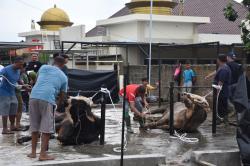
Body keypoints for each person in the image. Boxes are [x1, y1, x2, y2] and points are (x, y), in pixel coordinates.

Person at [27, 56, 68, 161]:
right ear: (63, 65)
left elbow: (36, 80)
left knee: (34, 126)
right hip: (47, 98)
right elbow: (63, 95)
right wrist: (57, 104)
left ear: (53, 62)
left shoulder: (43, 67)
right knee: (46, 129)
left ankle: (32, 153)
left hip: (33, 96)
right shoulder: (64, 77)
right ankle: (43, 154)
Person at [0, 57, 24, 134]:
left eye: (22, 65)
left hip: (12, 92)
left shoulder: (18, 70)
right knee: (5, 109)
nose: (21, 66)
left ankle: (12, 126)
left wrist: (23, 85)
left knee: (14, 107)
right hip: (4, 92)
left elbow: (18, 79)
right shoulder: (6, 69)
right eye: (20, 64)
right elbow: (0, 75)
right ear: (15, 63)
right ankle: (4, 129)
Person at [214, 54, 231, 124]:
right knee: (223, 105)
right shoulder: (223, 67)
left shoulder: (224, 69)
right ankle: (225, 120)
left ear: (219, 60)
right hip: (224, 90)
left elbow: (221, 82)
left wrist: (217, 92)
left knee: (220, 105)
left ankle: (220, 120)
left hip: (222, 91)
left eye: (217, 59)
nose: (217, 60)